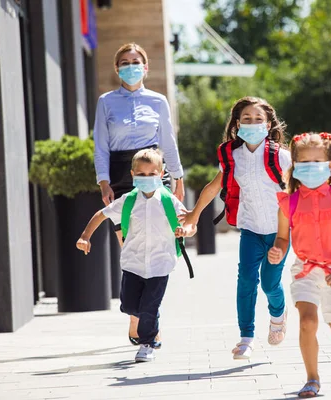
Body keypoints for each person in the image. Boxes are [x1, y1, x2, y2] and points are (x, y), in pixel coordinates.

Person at [179, 97, 291, 359]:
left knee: (271, 284)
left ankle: (278, 314)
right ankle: (246, 337)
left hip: (279, 231)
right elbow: (214, 186)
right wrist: (194, 215)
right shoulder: (232, 157)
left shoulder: (282, 157)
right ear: (237, 124)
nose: (252, 123)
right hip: (250, 227)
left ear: (269, 124)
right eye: (247, 119)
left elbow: (297, 193)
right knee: (247, 281)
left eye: (258, 119)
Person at [93, 42, 185, 345]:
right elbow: (101, 144)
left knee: (157, 242)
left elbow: (168, 141)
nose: (130, 66)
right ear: (117, 68)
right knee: (130, 245)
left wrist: (178, 178)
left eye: (136, 61)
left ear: (145, 67)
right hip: (122, 175)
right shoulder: (106, 101)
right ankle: (138, 312)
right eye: (124, 61)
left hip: (154, 171)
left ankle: (148, 319)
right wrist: (103, 181)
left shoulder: (158, 101)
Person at [77, 149, 196, 362]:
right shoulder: (128, 201)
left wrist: (184, 231)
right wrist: (85, 236)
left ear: (161, 176)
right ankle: (149, 321)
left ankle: (147, 343)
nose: (147, 178)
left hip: (161, 263)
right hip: (133, 263)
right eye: (141, 174)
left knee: (149, 305)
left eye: (152, 174)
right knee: (130, 305)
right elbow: (101, 215)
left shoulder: (168, 200)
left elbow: (189, 223)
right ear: (133, 175)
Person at [268, 132, 331, 398]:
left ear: (329, 165)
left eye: (316, 161)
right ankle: (312, 379)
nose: (310, 167)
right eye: (303, 162)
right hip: (304, 270)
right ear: (295, 167)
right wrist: (277, 250)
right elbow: (283, 238)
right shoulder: (288, 203)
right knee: (307, 322)